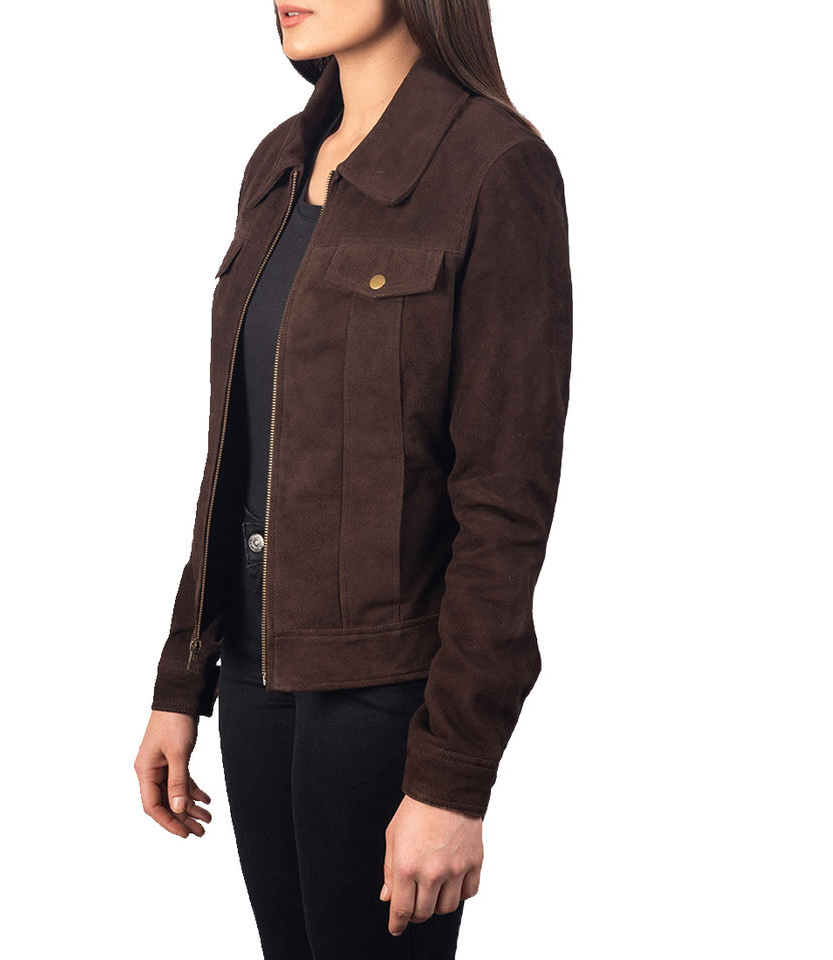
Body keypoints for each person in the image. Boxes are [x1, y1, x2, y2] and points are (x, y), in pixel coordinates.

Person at [134, 2, 572, 957]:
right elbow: (236, 454)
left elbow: (505, 509)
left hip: (388, 695)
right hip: (255, 681)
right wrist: (183, 679)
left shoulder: (494, 166)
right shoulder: (278, 163)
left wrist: (453, 776)